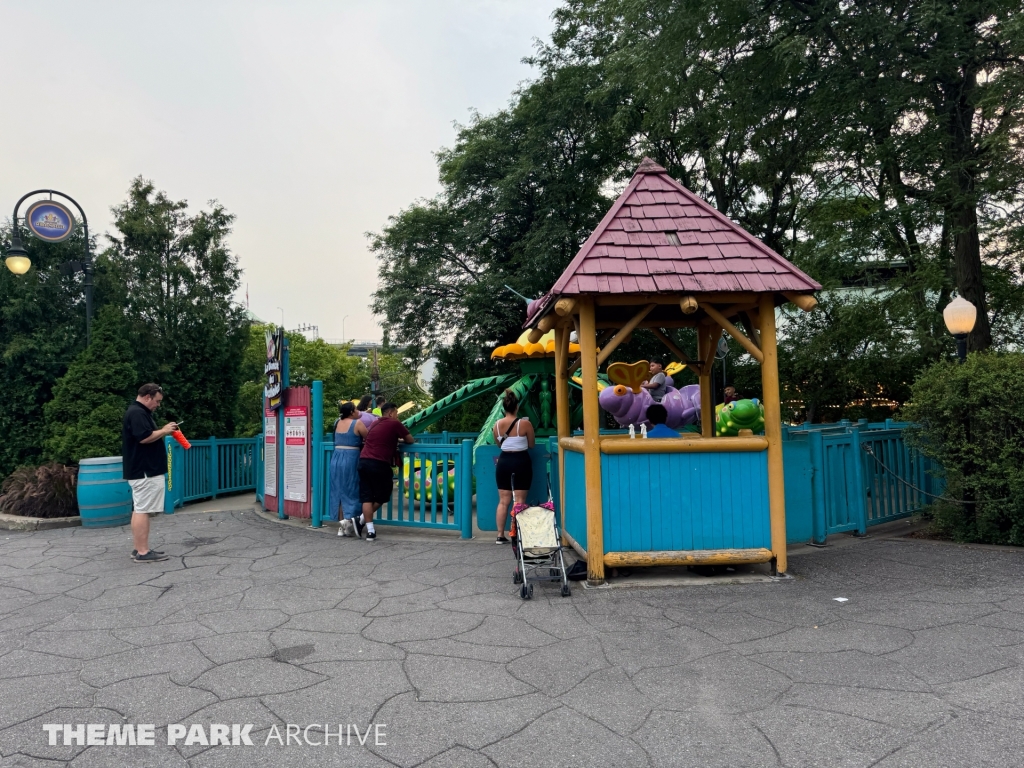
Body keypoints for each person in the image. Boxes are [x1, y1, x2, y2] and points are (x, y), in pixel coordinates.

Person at [122, 383, 177, 562]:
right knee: (142, 510)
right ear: (147, 397)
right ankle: (143, 552)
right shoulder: (137, 413)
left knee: (140, 508)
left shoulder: (138, 412)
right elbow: (144, 437)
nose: (158, 405)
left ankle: (138, 549)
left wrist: (162, 430)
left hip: (140, 469)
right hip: (144, 470)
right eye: (157, 401)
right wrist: (164, 430)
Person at [356, 402, 413, 541]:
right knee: (384, 493)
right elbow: (410, 439)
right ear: (391, 413)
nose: (397, 416)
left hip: (363, 461)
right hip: (379, 462)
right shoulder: (394, 423)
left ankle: (369, 530)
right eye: (397, 413)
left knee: (367, 496)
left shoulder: (375, 423)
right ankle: (360, 519)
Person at [493, 390, 535, 544]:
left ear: (504, 408)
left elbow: (499, 444)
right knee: (520, 499)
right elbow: (531, 445)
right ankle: (516, 534)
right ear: (517, 407)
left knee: (503, 501)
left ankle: (499, 535)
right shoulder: (525, 424)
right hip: (521, 460)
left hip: (503, 461)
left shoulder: (496, 425)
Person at [330, 402, 368, 537]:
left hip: (336, 458)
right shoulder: (357, 423)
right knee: (351, 489)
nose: (358, 411)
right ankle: (349, 521)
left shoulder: (337, 422)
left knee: (338, 490)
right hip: (351, 458)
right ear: (352, 412)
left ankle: (341, 525)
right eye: (356, 409)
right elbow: (368, 437)